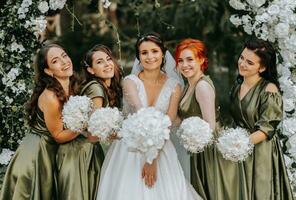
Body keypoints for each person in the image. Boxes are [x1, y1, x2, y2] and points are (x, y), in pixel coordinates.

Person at [96, 32, 202, 200]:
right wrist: (147, 157)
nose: (150, 56)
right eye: (144, 53)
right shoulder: (130, 82)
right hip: (130, 149)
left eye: (154, 51)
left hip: (161, 148)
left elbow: (169, 120)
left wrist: (152, 159)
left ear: (162, 54)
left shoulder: (174, 86)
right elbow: (140, 114)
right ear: (138, 57)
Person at [0, 43, 79, 200]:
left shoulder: (72, 87)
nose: (64, 62)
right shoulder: (51, 97)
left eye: (64, 56)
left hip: (50, 150)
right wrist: (83, 124)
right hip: (36, 155)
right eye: (56, 61)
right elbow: (58, 135)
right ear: (48, 71)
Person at [219, 38, 294, 199]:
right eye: (242, 58)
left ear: (263, 67)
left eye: (250, 63)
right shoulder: (237, 87)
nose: (242, 64)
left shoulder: (269, 89)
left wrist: (240, 144)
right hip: (240, 150)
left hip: (261, 151)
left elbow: (267, 129)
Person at [56, 44, 122, 200]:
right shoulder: (96, 90)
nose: (107, 64)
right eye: (99, 62)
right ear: (91, 70)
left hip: (89, 149)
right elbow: (93, 134)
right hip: (81, 152)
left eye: (108, 59)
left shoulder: (105, 87)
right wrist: (125, 135)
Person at [175, 38, 219, 200]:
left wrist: (194, 142)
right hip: (194, 146)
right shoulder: (188, 85)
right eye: (180, 61)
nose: (184, 65)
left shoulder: (202, 86)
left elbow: (211, 126)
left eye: (190, 60)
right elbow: (181, 117)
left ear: (201, 60)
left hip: (205, 150)